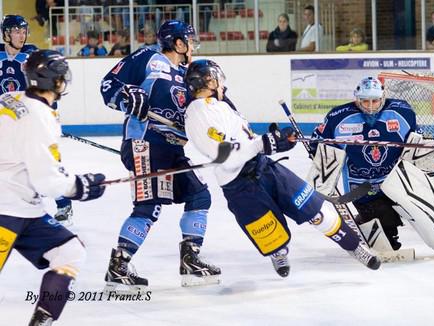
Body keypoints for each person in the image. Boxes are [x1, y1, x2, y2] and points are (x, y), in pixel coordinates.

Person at [184, 60, 381, 278]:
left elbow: (244, 140)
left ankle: (354, 247)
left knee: (316, 210)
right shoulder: (199, 111)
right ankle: (278, 252)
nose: (222, 84)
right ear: (209, 80)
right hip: (238, 185)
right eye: (218, 79)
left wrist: (276, 141)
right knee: (269, 233)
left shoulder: (219, 105)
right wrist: (265, 143)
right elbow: (226, 154)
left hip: (263, 167)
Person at [100, 20, 221, 290]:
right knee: (149, 205)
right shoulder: (148, 58)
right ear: (178, 43)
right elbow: (108, 85)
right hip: (144, 142)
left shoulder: (191, 73)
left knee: (199, 195)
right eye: (190, 40)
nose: (193, 46)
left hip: (172, 149)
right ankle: (119, 265)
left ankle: (191, 258)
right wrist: (126, 96)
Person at [311, 77, 434, 258]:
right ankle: (365, 224)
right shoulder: (339, 117)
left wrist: (431, 155)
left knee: (428, 214)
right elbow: (320, 144)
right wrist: (315, 147)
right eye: (365, 101)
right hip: (362, 187)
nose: (370, 105)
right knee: (386, 244)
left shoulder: (401, 112)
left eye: (374, 100)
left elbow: (415, 146)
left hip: (398, 181)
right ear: (356, 99)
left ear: (382, 97)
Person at [0, 49, 106, 325]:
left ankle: (43, 320)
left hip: (24, 210)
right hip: (6, 209)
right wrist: (79, 187)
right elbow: (46, 179)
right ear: (56, 81)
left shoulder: (10, 98)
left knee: (70, 251)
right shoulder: (39, 117)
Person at [0, 15, 75, 225]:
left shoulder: (32, 55)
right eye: (16, 31)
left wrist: (48, 116)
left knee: (41, 162)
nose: (21, 35)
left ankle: (63, 203)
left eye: (23, 31)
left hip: (30, 119)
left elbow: (48, 87)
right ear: (6, 34)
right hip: (6, 121)